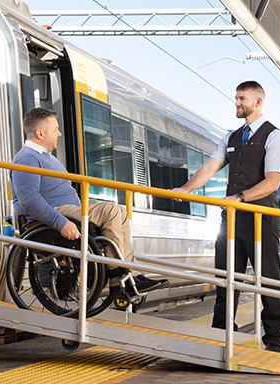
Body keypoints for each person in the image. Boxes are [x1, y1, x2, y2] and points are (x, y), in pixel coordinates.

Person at [172, 81, 280, 353]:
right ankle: (222, 334)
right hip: (232, 221)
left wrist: (239, 197)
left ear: (258, 102)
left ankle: (274, 341)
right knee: (225, 278)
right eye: (236, 98)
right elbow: (210, 166)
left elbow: (272, 183)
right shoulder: (232, 137)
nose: (236, 103)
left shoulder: (275, 137)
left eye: (241, 98)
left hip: (261, 220)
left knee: (269, 280)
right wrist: (187, 189)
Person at [10, 107, 167, 294]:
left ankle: (130, 275)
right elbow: (29, 200)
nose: (59, 133)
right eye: (55, 130)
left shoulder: (46, 158)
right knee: (111, 211)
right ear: (40, 133)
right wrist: (60, 223)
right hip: (55, 213)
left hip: (67, 209)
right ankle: (119, 279)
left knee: (121, 212)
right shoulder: (27, 158)